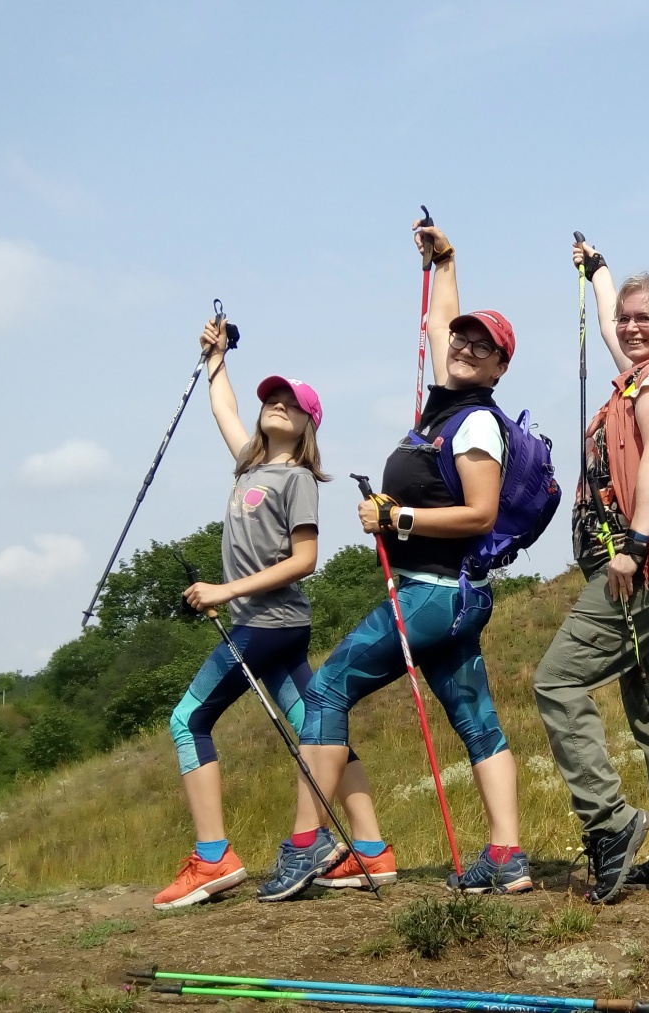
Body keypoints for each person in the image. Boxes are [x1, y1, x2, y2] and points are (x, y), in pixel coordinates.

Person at [256, 218, 529, 901]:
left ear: (501, 367)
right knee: (478, 721)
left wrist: (395, 516)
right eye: (465, 339)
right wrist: (447, 262)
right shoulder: (447, 405)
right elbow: (439, 326)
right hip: (453, 596)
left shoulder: (473, 423)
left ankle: (306, 840)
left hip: (431, 594)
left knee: (325, 691)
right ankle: (507, 855)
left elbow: (481, 513)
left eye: (484, 346)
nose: (466, 347)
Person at [153, 318, 372, 911]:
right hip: (273, 628)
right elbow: (223, 408)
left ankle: (213, 857)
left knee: (187, 720)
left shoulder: (298, 478)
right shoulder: (251, 468)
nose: (276, 405)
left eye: (290, 403)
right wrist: (216, 358)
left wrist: (225, 592)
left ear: (308, 423)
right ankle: (372, 847)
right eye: (270, 400)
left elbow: (305, 559)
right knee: (317, 727)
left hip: (267, 624)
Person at [525, 240, 649, 905]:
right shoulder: (639, 373)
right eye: (628, 318)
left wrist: (633, 547)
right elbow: (610, 322)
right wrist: (597, 269)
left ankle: (609, 824)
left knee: (557, 679)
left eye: (647, 320)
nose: (631, 327)